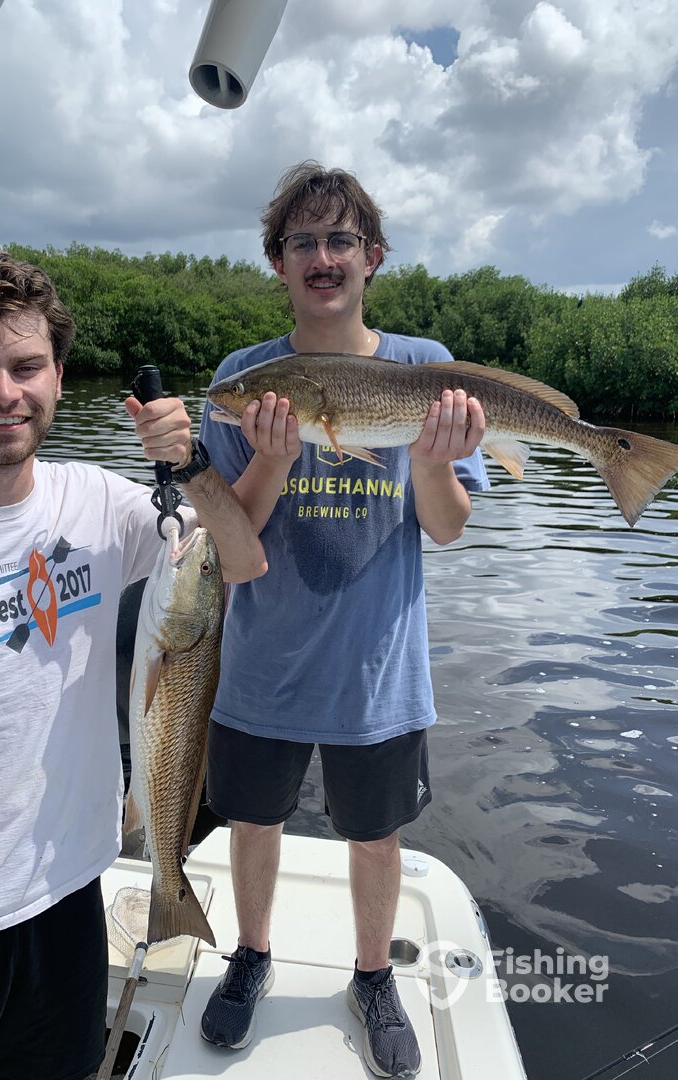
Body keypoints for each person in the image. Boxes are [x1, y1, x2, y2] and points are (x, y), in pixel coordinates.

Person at [0, 249, 266, 1080]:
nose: (3, 391)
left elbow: (240, 556)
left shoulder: (98, 503)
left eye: (26, 367)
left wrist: (193, 465)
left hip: (67, 892)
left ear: (57, 377)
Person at [197, 162, 490, 1078]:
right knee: (252, 822)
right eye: (303, 242)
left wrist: (434, 460)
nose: (322, 257)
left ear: (372, 256)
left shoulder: (423, 364)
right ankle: (252, 954)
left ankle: (372, 975)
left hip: (379, 667)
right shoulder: (242, 379)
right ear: (277, 262)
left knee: (376, 835)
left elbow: (446, 527)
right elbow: (231, 537)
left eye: (340, 239)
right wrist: (272, 458)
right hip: (261, 663)